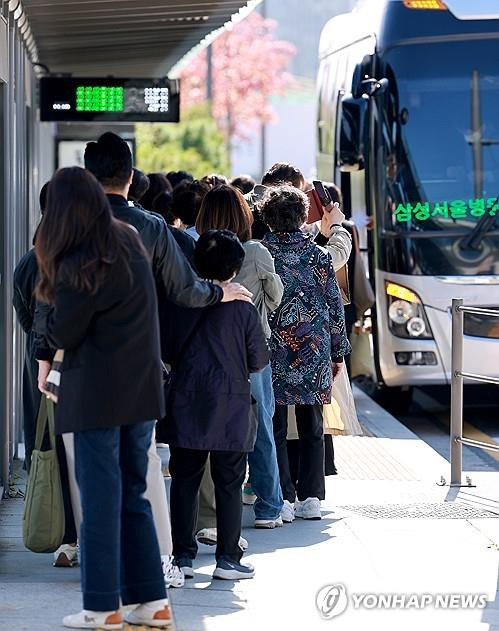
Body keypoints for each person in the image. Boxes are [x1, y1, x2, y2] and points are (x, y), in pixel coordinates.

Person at [35, 167, 170, 629]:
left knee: (97, 500)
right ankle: (152, 600)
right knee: (134, 495)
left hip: (95, 394)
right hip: (140, 390)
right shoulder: (129, 241)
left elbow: (65, 330)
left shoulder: (78, 260)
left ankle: (101, 606)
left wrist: (49, 315)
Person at [163, 230, 269, 581]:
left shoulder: (181, 302)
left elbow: (166, 350)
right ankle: (227, 558)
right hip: (231, 407)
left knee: (184, 481)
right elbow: (257, 360)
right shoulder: (242, 307)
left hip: (186, 403)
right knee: (229, 482)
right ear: (236, 267)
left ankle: (182, 557)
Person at [195, 185, 284, 529]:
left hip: (211, 348)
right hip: (252, 346)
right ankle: (269, 506)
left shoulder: (196, 247)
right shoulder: (255, 251)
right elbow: (275, 297)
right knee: (260, 421)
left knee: (216, 425)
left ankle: (213, 509)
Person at [261, 185, 351, 522]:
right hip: (313, 350)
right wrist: (338, 351)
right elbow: (333, 307)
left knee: (275, 426)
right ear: (303, 218)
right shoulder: (319, 256)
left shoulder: (259, 253)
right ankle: (311, 496)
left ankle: (282, 495)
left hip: (272, 349)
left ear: (267, 217)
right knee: (313, 424)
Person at [13, 182, 79, 568]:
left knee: (50, 448)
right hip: (75, 366)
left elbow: (25, 315)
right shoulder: (80, 256)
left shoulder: (30, 258)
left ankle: (64, 537)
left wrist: (40, 348)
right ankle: (79, 535)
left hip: (40, 367)